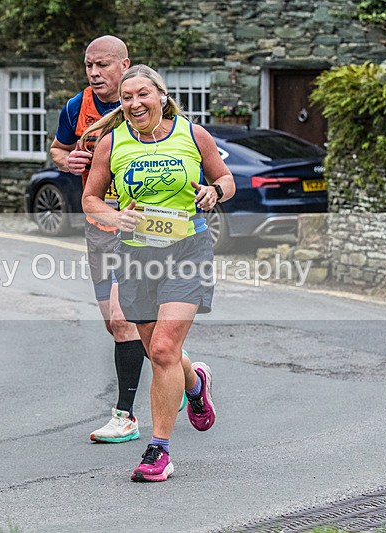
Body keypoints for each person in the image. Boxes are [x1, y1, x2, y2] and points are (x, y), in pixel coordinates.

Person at [81, 64, 235, 482]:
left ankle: (159, 450)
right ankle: (195, 382)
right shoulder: (111, 144)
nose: (134, 103)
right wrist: (115, 218)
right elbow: (90, 200)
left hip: (188, 249)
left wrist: (213, 191)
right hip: (136, 256)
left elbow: (225, 178)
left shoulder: (191, 133)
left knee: (164, 348)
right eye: (127, 97)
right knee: (157, 351)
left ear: (161, 97)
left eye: (142, 95)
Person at [52, 35, 186, 445]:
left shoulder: (146, 105)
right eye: (89, 65)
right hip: (99, 228)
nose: (94, 73)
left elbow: (186, 154)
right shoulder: (76, 108)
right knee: (117, 323)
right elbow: (58, 149)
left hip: (146, 232)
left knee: (127, 319)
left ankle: (125, 416)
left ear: (125, 64)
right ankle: (188, 378)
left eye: (103, 65)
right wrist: (67, 159)